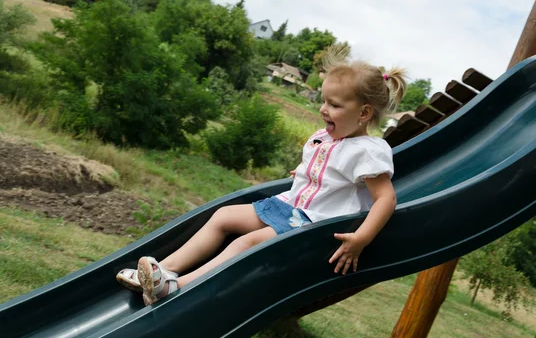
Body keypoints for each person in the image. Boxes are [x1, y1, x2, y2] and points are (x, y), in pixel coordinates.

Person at [116, 49, 407, 305]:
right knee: (223, 216)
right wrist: (305, 172)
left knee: (246, 243)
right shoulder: (326, 137)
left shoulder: (368, 151)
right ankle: (163, 270)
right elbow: (321, 167)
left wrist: (361, 238)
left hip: (313, 222)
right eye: (323, 101)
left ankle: (176, 287)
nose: (322, 109)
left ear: (364, 112)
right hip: (291, 206)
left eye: (334, 105)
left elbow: (386, 198)